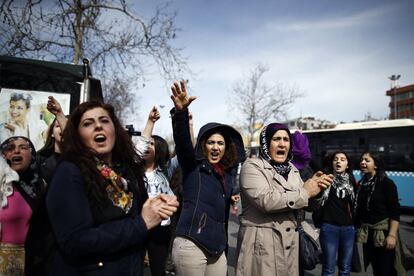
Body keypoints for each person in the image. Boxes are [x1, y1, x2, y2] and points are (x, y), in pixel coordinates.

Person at [45, 101, 179, 275]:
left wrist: (155, 207)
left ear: (115, 129)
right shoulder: (70, 172)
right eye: (88, 123)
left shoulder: (127, 171)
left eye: (104, 120)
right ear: (77, 135)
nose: (98, 126)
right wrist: (141, 223)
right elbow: (74, 241)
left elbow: (137, 216)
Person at [235, 123, 333, 276]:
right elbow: (266, 201)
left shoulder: (292, 169)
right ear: (266, 143)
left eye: (286, 139)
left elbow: (306, 205)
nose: (282, 143)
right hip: (262, 245)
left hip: (291, 247)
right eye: (276, 139)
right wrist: (306, 192)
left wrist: (317, 190)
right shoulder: (252, 166)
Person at [169, 80, 245, 276]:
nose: (215, 147)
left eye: (220, 143)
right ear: (204, 145)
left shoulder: (227, 174)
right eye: (211, 142)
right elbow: (184, 143)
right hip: (191, 244)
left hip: (217, 248)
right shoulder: (192, 165)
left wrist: (233, 195)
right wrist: (180, 114)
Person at [25, 96, 68, 275]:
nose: (62, 128)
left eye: (65, 125)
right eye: (58, 125)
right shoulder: (40, 160)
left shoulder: (79, 162)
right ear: (51, 132)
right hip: (43, 231)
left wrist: (59, 114)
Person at [141, 106, 178, 276]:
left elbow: (184, 153)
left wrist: (184, 122)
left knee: (157, 269)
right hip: (139, 224)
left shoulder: (165, 169)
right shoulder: (133, 171)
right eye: (146, 143)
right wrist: (150, 122)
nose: (148, 145)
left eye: (152, 144)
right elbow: (140, 146)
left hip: (162, 227)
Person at [0, 136, 44, 275]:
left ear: (32, 155)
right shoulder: (2, 187)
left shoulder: (42, 187)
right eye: (10, 148)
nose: (16, 151)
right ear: (2, 155)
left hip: (34, 264)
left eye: (23, 147)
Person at [354, 151, 400, 276]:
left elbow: (395, 212)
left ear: (376, 165)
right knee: (376, 268)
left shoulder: (387, 183)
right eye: (362, 160)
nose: (362, 162)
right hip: (368, 234)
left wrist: (392, 236)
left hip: (383, 234)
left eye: (367, 160)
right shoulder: (362, 184)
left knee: (386, 270)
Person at [316, 151, 357, 276]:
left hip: (348, 229)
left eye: (342, 159)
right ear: (332, 163)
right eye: (336, 159)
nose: (338, 161)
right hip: (329, 228)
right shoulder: (326, 178)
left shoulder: (351, 181)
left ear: (347, 165)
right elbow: (311, 160)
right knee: (329, 268)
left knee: (345, 268)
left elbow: (355, 205)